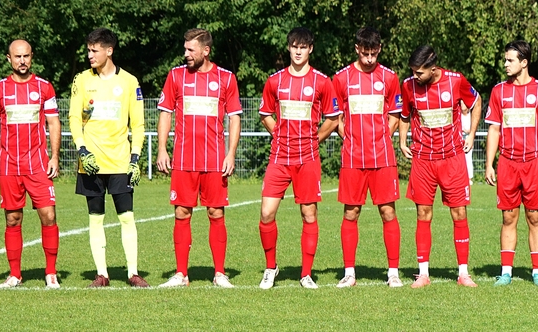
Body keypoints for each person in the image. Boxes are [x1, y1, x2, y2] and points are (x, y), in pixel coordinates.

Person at [156, 28, 242, 288]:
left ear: (206, 50)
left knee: (216, 212)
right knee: (181, 212)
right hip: (183, 159)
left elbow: (234, 117)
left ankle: (219, 274)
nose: (186, 54)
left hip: (215, 160)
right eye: (185, 49)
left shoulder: (226, 78)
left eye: (191, 50)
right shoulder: (176, 76)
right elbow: (165, 112)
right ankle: (181, 274)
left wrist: (231, 153)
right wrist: (162, 149)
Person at [257, 28, 340, 289]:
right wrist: (279, 134)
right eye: (294, 46)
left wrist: (315, 140)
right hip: (279, 157)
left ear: (310, 49)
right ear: (289, 48)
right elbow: (265, 113)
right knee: (266, 212)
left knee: (309, 214)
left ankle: (305, 274)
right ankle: (271, 268)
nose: (298, 51)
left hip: (308, 158)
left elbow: (333, 118)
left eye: (303, 47)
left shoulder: (322, 82)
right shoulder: (275, 81)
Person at [68, 28, 147, 288]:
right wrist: (82, 149)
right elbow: (74, 118)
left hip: (120, 161)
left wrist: (135, 157)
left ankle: (133, 273)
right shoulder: (81, 80)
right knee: (95, 217)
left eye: (94, 50)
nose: (89, 55)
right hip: (90, 163)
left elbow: (138, 124)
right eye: (88, 50)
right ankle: (102, 274)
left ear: (109, 51)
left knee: (126, 216)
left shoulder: (129, 82)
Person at [398, 45, 482, 287]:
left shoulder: (455, 81)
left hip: (452, 158)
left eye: (419, 72)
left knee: (459, 213)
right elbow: (405, 115)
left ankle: (463, 273)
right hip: (423, 159)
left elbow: (476, 102)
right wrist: (402, 141)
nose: (415, 76)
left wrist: (471, 133)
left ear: (433, 68)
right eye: (412, 71)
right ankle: (423, 274)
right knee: (423, 213)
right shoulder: (408, 86)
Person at [0, 39, 62, 288]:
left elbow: (53, 123)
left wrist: (55, 156)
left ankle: (51, 272)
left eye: (26, 56)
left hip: (38, 165)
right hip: (9, 166)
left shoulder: (44, 87)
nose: (22, 61)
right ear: (9, 59)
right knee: (13, 219)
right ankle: (15, 274)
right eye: (17, 57)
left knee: (48, 216)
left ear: (32, 57)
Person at [332, 27, 404, 288]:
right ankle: (349, 273)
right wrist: (349, 137)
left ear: (379, 49)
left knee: (387, 211)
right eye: (365, 54)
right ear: (357, 49)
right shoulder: (341, 78)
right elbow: (335, 117)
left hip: (383, 157)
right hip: (352, 158)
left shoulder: (390, 77)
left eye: (374, 53)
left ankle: (393, 272)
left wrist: (381, 136)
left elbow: (395, 114)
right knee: (351, 212)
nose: (370, 58)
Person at [484, 40, 538, 287]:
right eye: (505, 60)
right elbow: (494, 129)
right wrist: (489, 164)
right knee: (508, 217)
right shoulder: (498, 91)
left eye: (510, 60)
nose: (506, 64)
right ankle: (506, 272)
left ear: (524, 62)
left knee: (534, 217)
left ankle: (537, 272)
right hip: (507, 163)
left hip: (534, 162)